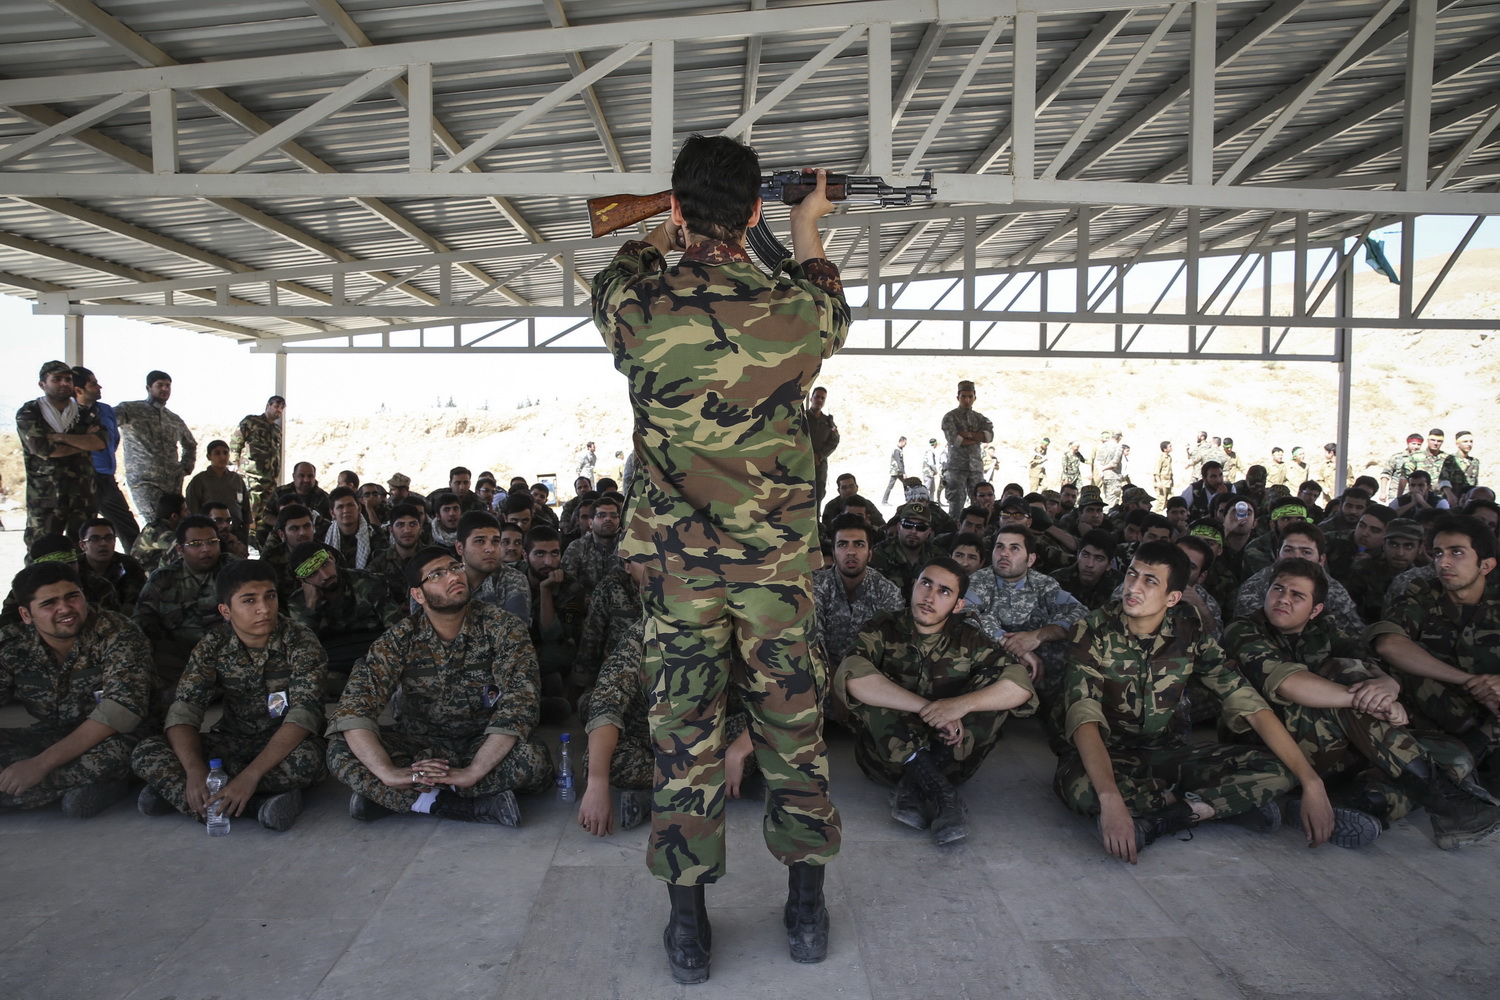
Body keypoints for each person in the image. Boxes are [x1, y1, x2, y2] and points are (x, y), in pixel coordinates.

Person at [591, 135, 845, 981]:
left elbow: (613, 275)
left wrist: (654, 234)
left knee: (684, 738)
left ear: (675, 209)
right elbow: (827, 298)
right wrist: (809, 225)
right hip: (773, 570)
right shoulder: (798, 314)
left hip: (678, 571)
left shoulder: (638, 307)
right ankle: (805, 913)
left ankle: (689, 931)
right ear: (756, 213)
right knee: (793, 735)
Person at [1054, 542, 1329, 863]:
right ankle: (1215, 806)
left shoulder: (1188, 629)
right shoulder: (1092, 629)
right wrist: (1110, 797)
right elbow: (1083, 714)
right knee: (1083, 792)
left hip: (1166, 753)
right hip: (1106, 756)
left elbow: (1247, 702)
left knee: (1280, 770)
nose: (1133, 588)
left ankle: (1172, 816)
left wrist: (1313, 782)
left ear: (1172, 598)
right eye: (1132, 575)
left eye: (1150, 581)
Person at [1223, 559, 1500, 849]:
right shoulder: (1243, 629)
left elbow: (1371, 667)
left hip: (1332, 744)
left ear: (1315, 610)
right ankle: (1449, 804)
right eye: (1278, 589)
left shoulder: (1325, 630)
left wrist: (1387, 688)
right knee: (1347, 680)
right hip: (1266, 745)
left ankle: (1362, 802)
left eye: (1297, 595)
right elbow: (1290, 685)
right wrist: (1365, 701)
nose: (1283, 599)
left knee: (1452, 753)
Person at [325, 546, 554, 826]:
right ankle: (458, 804)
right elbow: (355, 704)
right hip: (419, 746)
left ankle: (400, 799)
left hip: (481, 742)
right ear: (418, 594)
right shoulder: (400, 638)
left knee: (534, 759)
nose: (453, 577)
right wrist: (387, 772)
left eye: (456, 568)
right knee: (339, 749)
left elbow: (521, 701)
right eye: (437, 574)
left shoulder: (503, 628)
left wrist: (473, 771)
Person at [836, 557, 1036, 844]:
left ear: (958, 605)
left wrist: (962, 705)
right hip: (885, 762)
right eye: (925, 584)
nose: (929, 597)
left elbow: (1020, 684)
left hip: (952, 759)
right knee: (874, 689)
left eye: (944, 591)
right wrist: (929, 708)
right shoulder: (883, 627)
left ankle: (916, 787)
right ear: (913, 585)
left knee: (994, 689)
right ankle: (945, 798)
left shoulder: (969, 638)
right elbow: (852, 674)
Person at [131, 560, 327, 831]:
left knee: (310, 762)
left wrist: (251, 776)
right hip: (233, 740)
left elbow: (304, 716)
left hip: (285, 747)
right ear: (226, 610)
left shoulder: (301, 641)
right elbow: (185, 709)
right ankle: (255, 807)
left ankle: (185, 796)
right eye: (249, 600)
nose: (264, 608)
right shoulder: (213, 646)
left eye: (270, 596)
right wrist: (194, 771)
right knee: (146, 751)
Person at [0, 562, 154, 817]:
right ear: (26, 615)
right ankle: (81, 785)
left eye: (72, 596)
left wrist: (39, 765)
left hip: (119, 736)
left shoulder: (118, 633)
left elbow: (122, 712)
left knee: (125, 754)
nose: (65, 608)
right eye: (49, 603)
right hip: (54, 735)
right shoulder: (11, 644)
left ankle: (28, 789)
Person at [1366, 515, 1500, 770]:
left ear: (1486, 565)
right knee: (1389, 673)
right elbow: (1388, 644)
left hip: (1493, 709)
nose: (1443, 562)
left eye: (1456, 552)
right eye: (1438, 553)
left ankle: (1478, 747)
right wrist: (1469, 681)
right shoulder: (1421, 592)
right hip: (1440, 709)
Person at [134, 514, 237, 697]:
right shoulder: (162, 579)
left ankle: (206, 689)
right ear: (180, 550)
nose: (206, 549)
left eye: (212, 542)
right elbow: (142, 624)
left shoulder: (235, 571)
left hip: (230, 654)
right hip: (181, 658)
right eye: (196, 544)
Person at [286, 542, 402, 697]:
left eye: (325, 564)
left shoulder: (368, 582)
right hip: (334, 665)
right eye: (313, 574)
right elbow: (302, 649)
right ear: (303, 580)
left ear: (332, 557)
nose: (325, 575)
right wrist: (310, 606)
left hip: (376, 656)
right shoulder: (298, 602)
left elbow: (397, 630)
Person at [16, 361, 103, 550]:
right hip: (46, 496)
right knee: (41, 552)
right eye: (57, 379)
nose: (64, 383)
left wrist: (59, 437)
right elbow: (44, 450)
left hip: (82, 495)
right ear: (43, 384)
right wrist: (82, 441)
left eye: (68, 379)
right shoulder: (30, 412)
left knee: (82, 552)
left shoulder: (84, 413)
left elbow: (99, 443)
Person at [812, 515, 905, 678]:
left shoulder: (887, 592)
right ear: (833, 553)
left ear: (869, 553)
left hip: (871, 684)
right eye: (842, 544)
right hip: (820, 681)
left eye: (859, 544)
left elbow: (894, 652)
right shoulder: (816, 587)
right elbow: (813, 646)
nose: (851, 552)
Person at [72, 365, 140, 550]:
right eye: (93, 384)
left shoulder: (106, 410)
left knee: (128, 529)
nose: (99, 387)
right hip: (83, 480)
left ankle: (136, 570)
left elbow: (111, 440)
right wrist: (86, 439)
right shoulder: (68, 414)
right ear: (78, 390)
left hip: (106, 479)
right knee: (83, 532)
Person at [115, 370, 197, 521]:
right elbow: (107, 422)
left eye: (168, 385)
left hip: (173, 482)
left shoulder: (173, 419)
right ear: (148, 388)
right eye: (160, 385)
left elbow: (190, 444)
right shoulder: (130, 410)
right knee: (154, 523)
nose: (165, 389)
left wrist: (186, 466)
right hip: (145, 481)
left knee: (177, 522)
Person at [870, 501, 946, 600]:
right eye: (907, 525)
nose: (913, 531)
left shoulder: (939, 558)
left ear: (928, 532)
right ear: (899, 527)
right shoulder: (879, 554)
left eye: (920, 527)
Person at [230, 395, 284, 534]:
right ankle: (248, 539)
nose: (279, 411)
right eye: (276, 406)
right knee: (250, 511)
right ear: (268, 406)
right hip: (252, 475)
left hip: (270, 479)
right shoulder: (252, 421)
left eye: (281, 408)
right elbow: (237, 439)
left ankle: (259, 541)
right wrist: (234, 461)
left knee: (265, 514)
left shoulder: (277, 431)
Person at [940, 381, 993, 520]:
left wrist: (966, 434)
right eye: (963, 396)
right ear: (958, 397)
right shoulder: (950, 417)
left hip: (975, 467)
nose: (967, 400)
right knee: (956, 505)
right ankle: (953, 534)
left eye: (970, 396)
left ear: (975, 397)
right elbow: (955, 440)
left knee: (980, 504)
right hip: (956, 468)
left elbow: (988, 436)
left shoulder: (979, 418)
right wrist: (977, 437)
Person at [185, 439, 252, 541]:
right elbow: (193, 511)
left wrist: (245, 538)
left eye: (225, 453)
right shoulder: (200, 481)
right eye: (217, 453)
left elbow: (246, 510)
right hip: (211, 534)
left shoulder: (237, 479)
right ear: (209, 456)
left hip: (235, 533)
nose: (222, 457)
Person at [560, 492, 622, 600]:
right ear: (590, 523)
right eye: (601, 515)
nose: (608, 519)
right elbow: (567, 583)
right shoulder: (577, 547)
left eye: (613, 515)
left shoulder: (627, 547)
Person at [77, 518, 147, 610]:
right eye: (94, 539)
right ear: (82, 545)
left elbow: (135, 604)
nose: (103, 543)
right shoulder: (73, 568)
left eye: (109, 538)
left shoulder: (129, 565)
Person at [1050, 529, 1122, 611]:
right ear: (1078, 555)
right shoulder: (1056, 581)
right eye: (1085, 555)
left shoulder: (1119, 586)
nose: (1089, 564)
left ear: (1109, 565)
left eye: (1099, 559)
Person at [322, 486, 385, 571]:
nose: (346, 510)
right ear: (332, 513)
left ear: (359, 508)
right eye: (340, 507)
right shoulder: (322, 536)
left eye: (350, 505)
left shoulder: (376, 534)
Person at [130, 493, 187, 575]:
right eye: (185, 510)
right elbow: (181, 544)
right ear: (174, 516)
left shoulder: (162, 526)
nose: (189, 513)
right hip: (142, 578)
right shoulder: (156, 531)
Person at [807, 386, 840, 515]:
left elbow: (834, 440)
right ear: (811, 398)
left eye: (822, 398)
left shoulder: (828, 422)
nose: (819, 400)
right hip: (802, 464)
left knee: (818, 495)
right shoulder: (802, 418)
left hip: (819, 466)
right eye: (817, 397)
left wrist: (820, 455)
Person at [883, 436, 907, 504]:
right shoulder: (896, 450)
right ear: (902, 441)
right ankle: (884, 501)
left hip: (898, 471)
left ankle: (907, 500)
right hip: (896, 471)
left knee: (906, 484)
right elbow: (899, 462)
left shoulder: (899, 449)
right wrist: (903, 472)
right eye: (905, 442)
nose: (905, 444)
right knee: (890, 486)